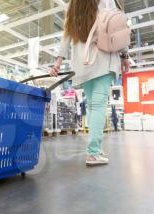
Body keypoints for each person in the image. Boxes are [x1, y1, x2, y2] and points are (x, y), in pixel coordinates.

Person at [50, 0, 130, 166]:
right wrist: (125, 56)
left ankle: (95, 149)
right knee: (99, 105)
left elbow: (66, 36)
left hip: (83, 62)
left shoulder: (73, 6)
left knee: (93, 105)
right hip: (102, 57)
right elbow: (116, 26)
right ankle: (93, 152)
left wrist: (58, 62)